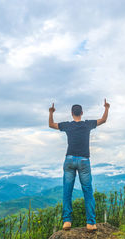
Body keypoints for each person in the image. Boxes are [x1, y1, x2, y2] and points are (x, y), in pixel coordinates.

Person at [48, 99, 110, 232]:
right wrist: (106, 108)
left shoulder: (67, 125)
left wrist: (51, 112)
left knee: (67, 191)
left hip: (69, 160)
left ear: (72, 113)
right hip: (84, 161)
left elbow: (51, 124)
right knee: (87, 191)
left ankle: (67, 221)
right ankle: (91, 223)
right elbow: (103, 120)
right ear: (82, 113)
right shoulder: (88, 124)